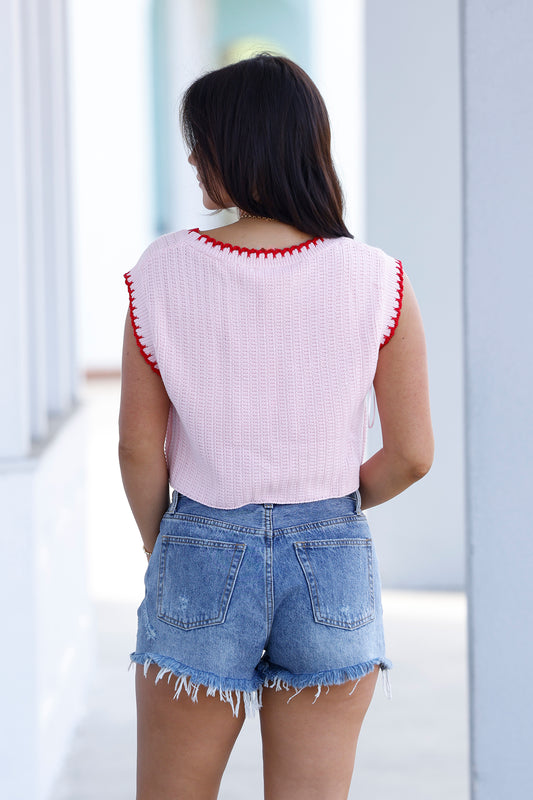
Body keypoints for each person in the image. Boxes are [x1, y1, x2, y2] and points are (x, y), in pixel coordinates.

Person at [118, 52, 433, 800]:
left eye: (202, 142)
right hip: (331, 554)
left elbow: (137, 445)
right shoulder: (377, 277)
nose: (193, 159)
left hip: (199, 542)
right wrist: (324, 507)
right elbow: (411, 455)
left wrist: (159, 543)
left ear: (238, 146)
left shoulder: (160, 271)